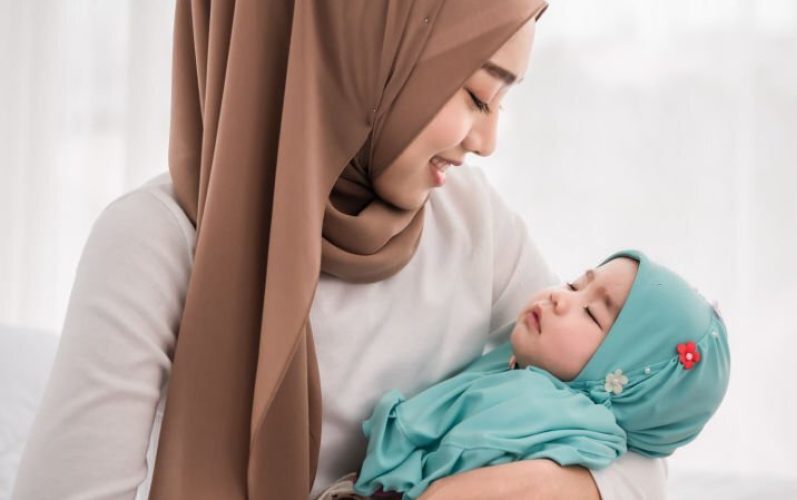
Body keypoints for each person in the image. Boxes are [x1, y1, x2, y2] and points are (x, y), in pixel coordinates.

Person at [12, 1, 669, 499]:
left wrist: (499, 489)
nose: (488, 141)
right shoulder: (154, 244)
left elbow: (643, 446)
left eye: (501, 101)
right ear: (366, 56)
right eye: (475, 94)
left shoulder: (472, 226)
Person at [313, 249, 731, 500]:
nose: (558, 297)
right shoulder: (512, 370)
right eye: (572, 285)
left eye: (590, 312)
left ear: (629, 385)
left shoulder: (564, 432)